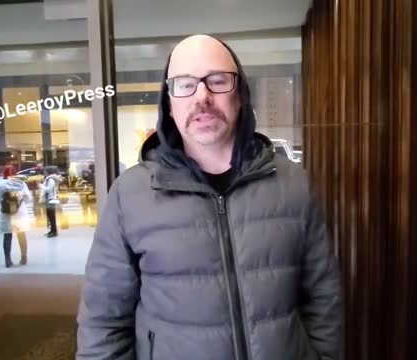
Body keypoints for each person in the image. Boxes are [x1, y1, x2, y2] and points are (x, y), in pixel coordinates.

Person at [77, 35, 343, 360]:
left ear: (240, 95)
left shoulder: (293, 184)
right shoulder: (130, 195)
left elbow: (323, 298)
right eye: (185, 84)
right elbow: (103, 323)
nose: (202, 96)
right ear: (170, 104)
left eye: (217, 81)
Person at [0, 165, 32, 267]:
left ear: (3, 173)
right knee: (21, 235)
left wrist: (1, 203)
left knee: (7, 235)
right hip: (20, 213)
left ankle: (8, 260)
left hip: (6, 214)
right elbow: (28, 199)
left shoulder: (0, 184)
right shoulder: (21, 183)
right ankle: (24, 258)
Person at [40, 166, 62, 237]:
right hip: (49, 199)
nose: (44, 172)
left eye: (45, 171)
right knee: (50, 216)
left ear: (48, 172)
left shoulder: (50, 180)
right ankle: (52, 231)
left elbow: (49, 189)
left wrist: (40, 186)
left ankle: (54, 231)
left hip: (51, 199)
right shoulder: (48, 179)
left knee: (51, 216)